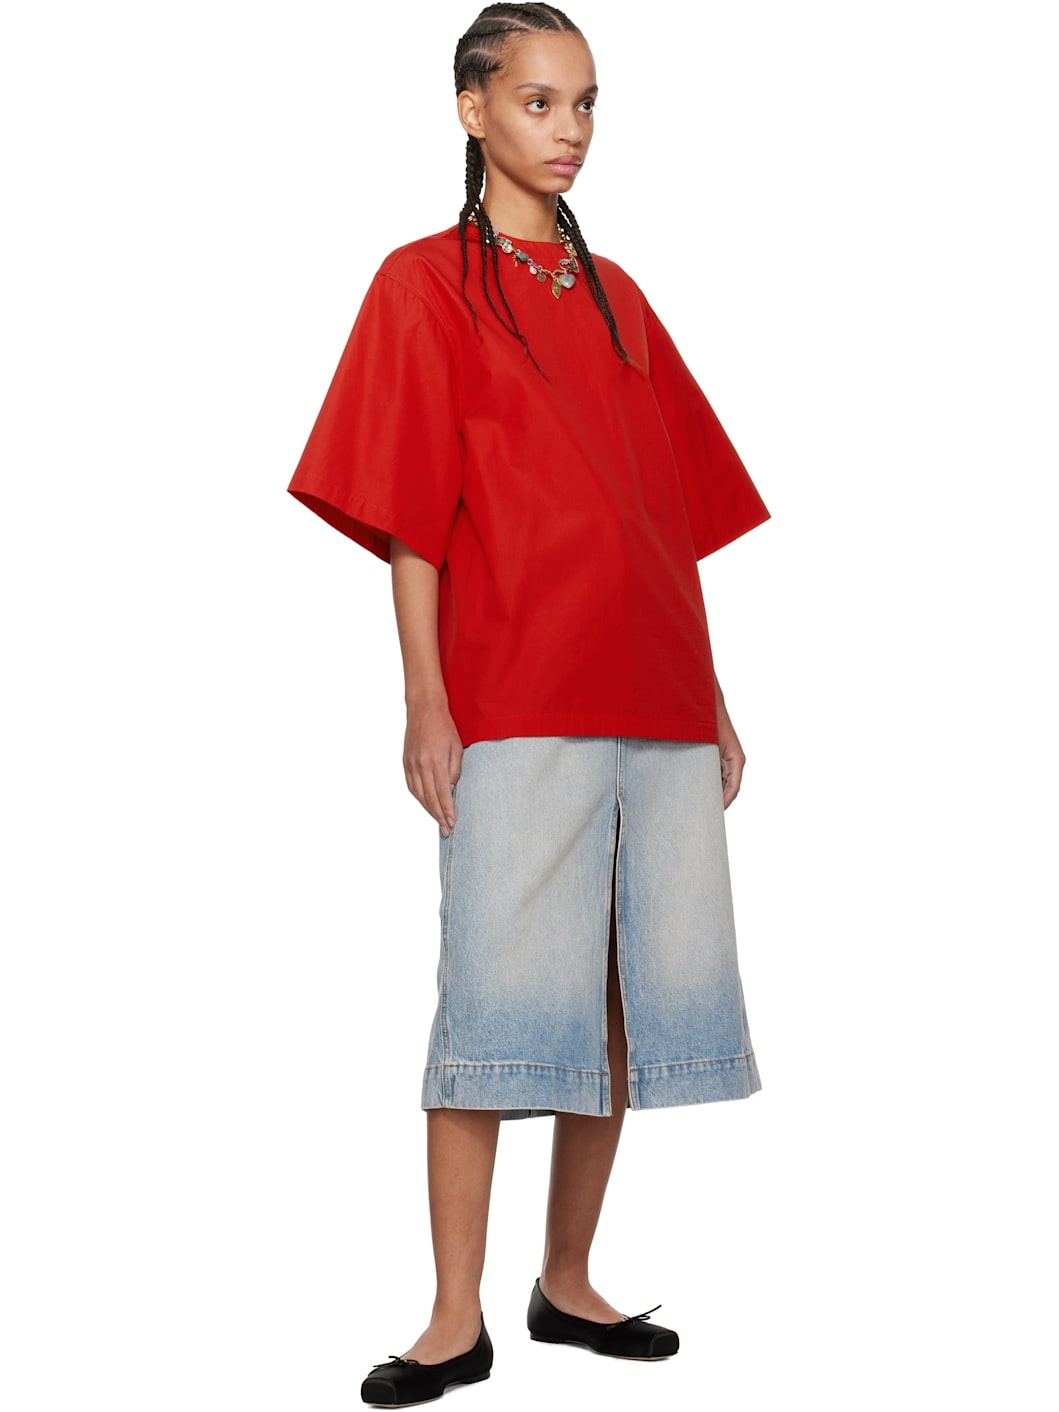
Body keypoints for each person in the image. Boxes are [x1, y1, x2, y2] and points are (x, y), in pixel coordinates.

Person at [287, 4, 771, 1405]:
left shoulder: (617, 293)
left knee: (622, 998)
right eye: (540, 101)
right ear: (473, 110)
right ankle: (454, 1317)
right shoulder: (421, 285)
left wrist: (715, 694)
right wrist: (424, 698)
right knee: (495, 1006)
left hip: (656, 693)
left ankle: (567, 1281)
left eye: (588, 103)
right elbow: (412, 514)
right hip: (516, 689)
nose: (570, 130)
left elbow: (664, 513)